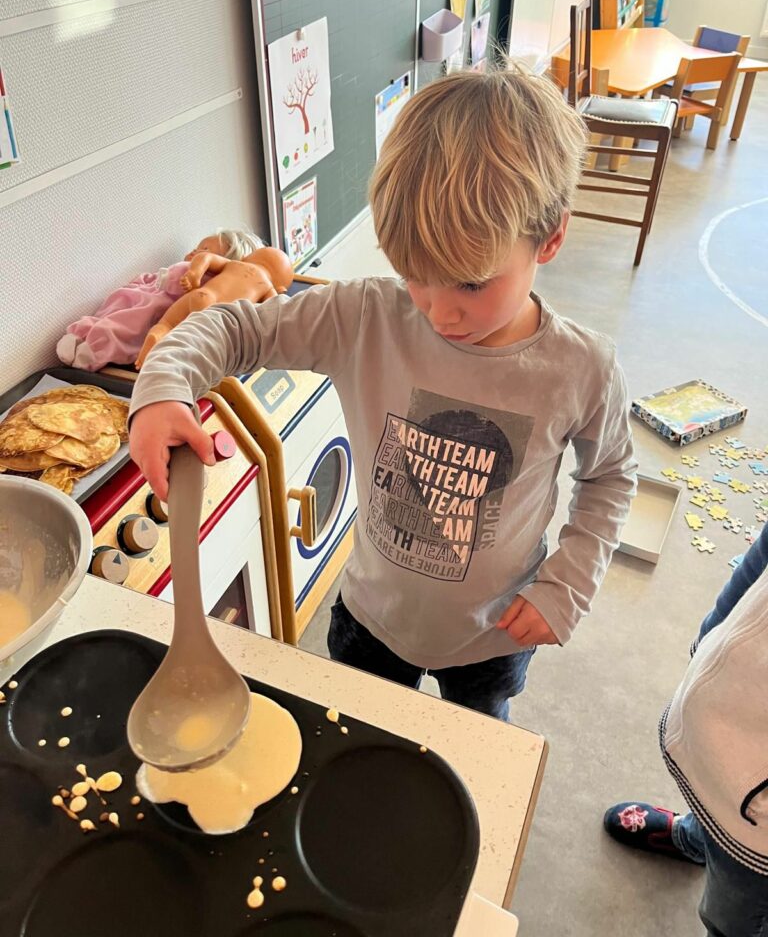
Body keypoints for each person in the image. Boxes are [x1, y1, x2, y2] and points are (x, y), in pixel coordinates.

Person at [128, 65, 637, 721]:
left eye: (471, 284)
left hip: (492, 635)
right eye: (415, 276)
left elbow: (611, 477)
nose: (440, 312)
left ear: (552, 237)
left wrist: (566, 585)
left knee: (475, 754)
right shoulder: (366, 317)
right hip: (372, 619)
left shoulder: (582, 367)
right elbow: (231, 328)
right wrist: (163, 387)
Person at [604, 521, 768, 935]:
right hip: (727, 718)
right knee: (710, 789)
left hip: (760, 825)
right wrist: (713, 634)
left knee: (731, 914)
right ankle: (698, 837)